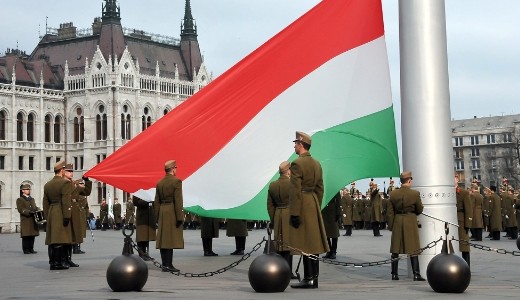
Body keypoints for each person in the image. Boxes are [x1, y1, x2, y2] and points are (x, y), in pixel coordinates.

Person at [288, 131, 329, 289]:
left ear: (301, 145)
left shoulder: (297, 164)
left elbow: (295, 191)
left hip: (303, 203)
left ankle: (308, 278)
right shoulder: (317, 163)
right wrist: (316, 206)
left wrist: (295, 213)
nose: (294, 146)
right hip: (312, 202)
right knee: (313, 242)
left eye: (296, 143)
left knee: (305, 243)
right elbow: (320, 188)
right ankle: (314, 278)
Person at [386, 171, 425, 281]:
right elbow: (420, 209)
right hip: (410, 221)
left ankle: (394, 274)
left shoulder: (393, 194)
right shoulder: (415, 194)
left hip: (397, 221)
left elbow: (389, 212)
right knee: (413, 248)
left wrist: (391, 225)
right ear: (409, 180)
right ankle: (416, 274)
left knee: (395, 249)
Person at [267, 160, 296, 278]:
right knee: (289, 245)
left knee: (279, 245)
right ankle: (288, 271)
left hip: (278, 214)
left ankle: (279, 269)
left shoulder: (273, 185)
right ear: (288, 171)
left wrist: (274, 219)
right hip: (290, 214)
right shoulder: (293, 184)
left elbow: (270, 205)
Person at [154, 160, 184, 272]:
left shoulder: (160, 182)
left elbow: (156, 201)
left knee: (163, 239)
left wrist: (156, 217)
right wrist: (180, 217)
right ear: (173, 169)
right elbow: (178, 201)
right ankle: (169, 265)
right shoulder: (176, 181)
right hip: (171, 210)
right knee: (170, 239)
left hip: (162, 210)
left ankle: (164, 264)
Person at [43, 160, 73, 270]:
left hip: (51, 212)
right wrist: (67, 216)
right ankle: (58, 263)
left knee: (53, 238)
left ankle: (53, 262)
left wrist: (47, 217)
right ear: (62, 171)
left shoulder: (48, 184)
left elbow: (45, 203)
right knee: (61, 238)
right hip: (60, 211)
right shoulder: (64, 183)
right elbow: (66, 201)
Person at [68, 172, 92, 259]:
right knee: (75, 231)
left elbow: (86, 205)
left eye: (83, 184)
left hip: (81, 214)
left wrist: (87, 214)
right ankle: (75, 248)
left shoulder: (82, 194)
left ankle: (77, 247)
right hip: (74, 212)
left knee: (80, 231)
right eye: (81, 184)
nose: (82, 185)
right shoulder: (75, 191)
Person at [16, 184, 40, 254]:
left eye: (29, 189)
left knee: (32, 234)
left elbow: (35, 207)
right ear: (23, 190)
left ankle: (31, 248)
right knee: (26, 235)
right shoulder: (20, 199)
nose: (28, 190)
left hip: (33, 219)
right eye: (26, 189)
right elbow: (21, 209)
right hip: (26, 219)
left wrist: (39, 210)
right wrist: (29, 212)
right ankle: (26, 249)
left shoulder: (32, 199)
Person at [455, 174, 472, 268]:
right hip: (450, 221)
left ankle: (466, 267)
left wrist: (468, 223)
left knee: (464, 246)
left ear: (457, 179)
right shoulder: (447, 192)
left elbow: (468, 209)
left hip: (461, 221)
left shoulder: (464, 193)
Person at [132, 195, 156, 261]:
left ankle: (146, 254)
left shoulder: (149, 192)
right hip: (141, 217)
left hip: (149, 216)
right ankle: (141, 254)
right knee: (141, 237)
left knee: (147, 237)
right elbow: (136, 202)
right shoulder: (137, 192)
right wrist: (147, 200)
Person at [321, 192, 342, 259]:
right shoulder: (322, 186)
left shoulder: (334, 187)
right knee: (326, 234)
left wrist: (338, 212)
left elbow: (339, 201)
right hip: (324, 211)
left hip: (333, 212)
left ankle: (333, 252)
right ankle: (328, 251)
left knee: (334, 234)